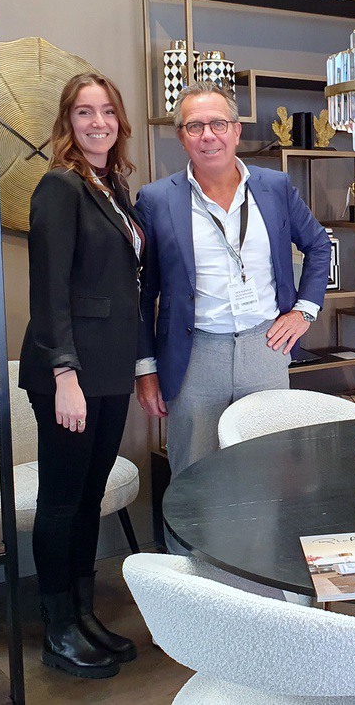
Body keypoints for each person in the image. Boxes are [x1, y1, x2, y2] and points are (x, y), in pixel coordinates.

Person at [134, 81, 332, 483]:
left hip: (266, 349)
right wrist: (145, 368)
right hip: (193, 357)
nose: (208, 135)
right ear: (182, 137)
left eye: (218, 124)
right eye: (195, 126)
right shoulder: (156, 200)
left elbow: (318, 245)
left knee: (268, 475)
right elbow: (142, 292)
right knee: (195, 477)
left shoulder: (274, 187)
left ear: (236, 131)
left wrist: (304, 312)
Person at [18, 73, 143, 679]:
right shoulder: (59, 187)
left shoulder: (113, 187)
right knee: (62, 502)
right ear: (67, 122)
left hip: (111, 369)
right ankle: (58, 629)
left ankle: (83, 613)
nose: (98, 122)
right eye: (85, 112)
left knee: (89, 499)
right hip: (69, 374)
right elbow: (49, 291)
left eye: (107, 111)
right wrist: (65, 375)